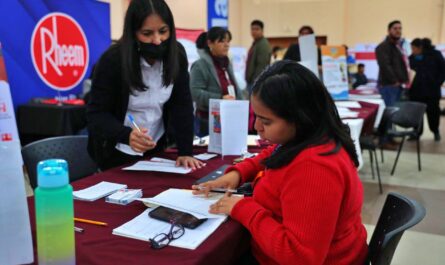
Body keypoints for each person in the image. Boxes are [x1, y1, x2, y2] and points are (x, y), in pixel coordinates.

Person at [192, 60, 368, 265]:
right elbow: (273, 153)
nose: (256, 126)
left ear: (300, 117)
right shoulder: (306, 138)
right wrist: (238, 173)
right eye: (256, 116)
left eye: (266, 121)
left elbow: (300, 257)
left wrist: (243, 208)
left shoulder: (315, 168)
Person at [87, 0, 204, 171]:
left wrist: (185, 151)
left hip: (157, 150)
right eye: (147, 33)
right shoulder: (113, 60)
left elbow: (182, 105)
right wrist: (126, 135)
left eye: (163, 31)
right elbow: (96, 115)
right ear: (133, 33)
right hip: (115, 154)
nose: (157, 41)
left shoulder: (176, 55)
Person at [190, 27, 243, 136]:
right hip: (208, 120)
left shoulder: (226, 63)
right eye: (222, 41)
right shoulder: (200, 65)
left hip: (230, 117)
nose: (226, 44)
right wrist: (220, 99)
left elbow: (234, 87)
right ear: (210, 43)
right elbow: (195, 93)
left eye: (228, 41)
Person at [409, 38, 445, 141]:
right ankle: (416, 133)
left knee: (433, 112)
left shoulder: (435, 55)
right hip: (416, 91)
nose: (412, 51)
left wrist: (438, 82)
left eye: (413, 48)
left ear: (420, 47)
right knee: (416, 113)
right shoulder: (412, 57)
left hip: (432, 91)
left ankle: (435, 131)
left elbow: (443, 69)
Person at [375, 20, 409, 107]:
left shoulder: (397, 47)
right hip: (389, 86)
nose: (398, 31)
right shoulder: (383, 47)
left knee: (395, 114)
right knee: (389, 114)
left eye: (400, 28)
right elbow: (385, 65)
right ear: (389, 30)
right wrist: (394, 81)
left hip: (398, 86)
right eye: (395, 28)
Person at [245, 20, 272, 93]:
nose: (254, 31)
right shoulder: (256, 43)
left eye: (257, 29)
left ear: (262, 30)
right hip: (252, 81)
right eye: (252, 29)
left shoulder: (263, 45)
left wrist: (256, 83)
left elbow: (261, 66)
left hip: (256, 82)